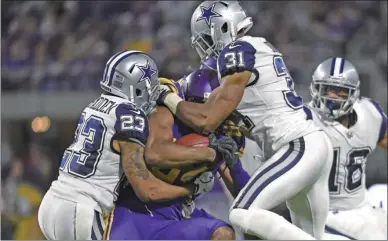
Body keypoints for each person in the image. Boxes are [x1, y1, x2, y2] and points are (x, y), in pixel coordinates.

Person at [157, 1, 334, 239]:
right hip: (312, 143)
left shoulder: (236, 50)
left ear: (222, 28)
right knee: (309, 234)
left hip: (296, 146)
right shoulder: (257, 46)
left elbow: (207, 119)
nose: (207, 50)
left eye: (208, 40)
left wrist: (167, 97)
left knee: (242, 212)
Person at [38, 50, 211, 240]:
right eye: (150, 85)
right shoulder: (130, 115)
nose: (152, 91)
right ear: (137, 85)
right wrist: (190, 190)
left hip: (51, 202)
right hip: (82, 210)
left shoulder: (94, 105)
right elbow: (147, 190)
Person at [103, 66, 251, 240]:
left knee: (223, 234)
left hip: (177, 211)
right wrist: (208, 154)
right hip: (135, 211)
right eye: (199, 106)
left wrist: (235, 165)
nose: (203, 115)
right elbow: (155, 154)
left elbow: (248, 199)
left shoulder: (219, 135)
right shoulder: (165, 114)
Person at [306, 57, 387, 240]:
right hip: (322, 214)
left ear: (353, 93)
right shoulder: (303, 119)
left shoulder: (370, 114)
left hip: (361, 207)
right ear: (316, 88)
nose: (332, 96)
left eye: (340, 91)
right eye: (327, 89)